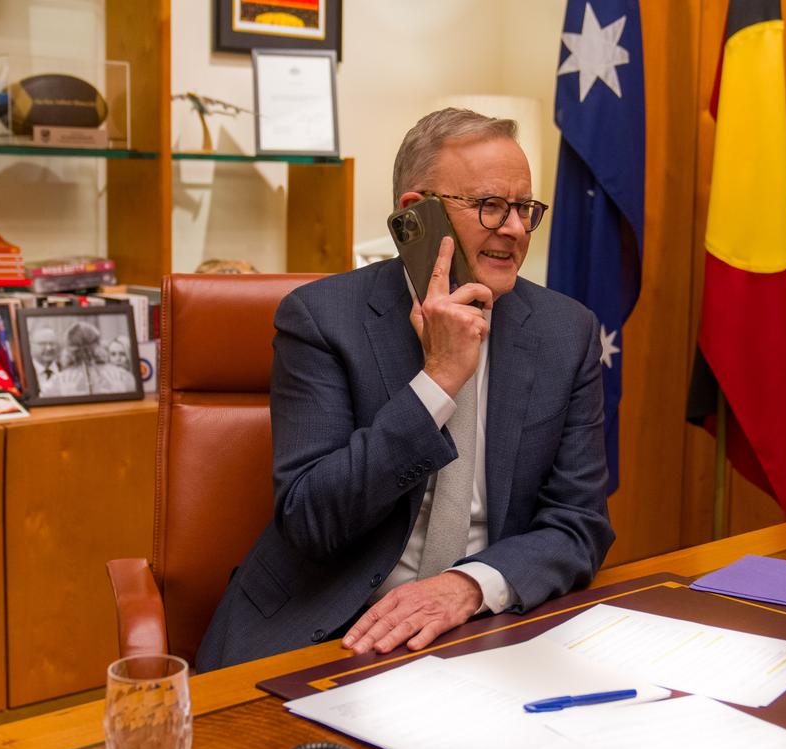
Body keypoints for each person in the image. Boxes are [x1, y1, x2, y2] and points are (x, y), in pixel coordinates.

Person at [196, 108, 613, 671]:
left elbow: (578, 523)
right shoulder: (321, 319)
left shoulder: (568, 332)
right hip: (327, 626)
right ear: (418, 215)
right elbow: (310, 520)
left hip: (484, 629)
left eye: (524, 209)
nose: (514, 229)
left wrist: (469, 586)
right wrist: (438, 380)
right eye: (491, 205)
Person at [52, 322, 137, 396]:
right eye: (113, 354)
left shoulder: (56, 382)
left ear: (68, 348)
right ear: (98, 345)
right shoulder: (123, 377)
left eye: (122, 354)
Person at [29, 324, 62, 396]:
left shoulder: (66, 370)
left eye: (52, 343)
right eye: (42, 344)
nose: (49, 348)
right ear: (31, 345)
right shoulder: (24, 373)